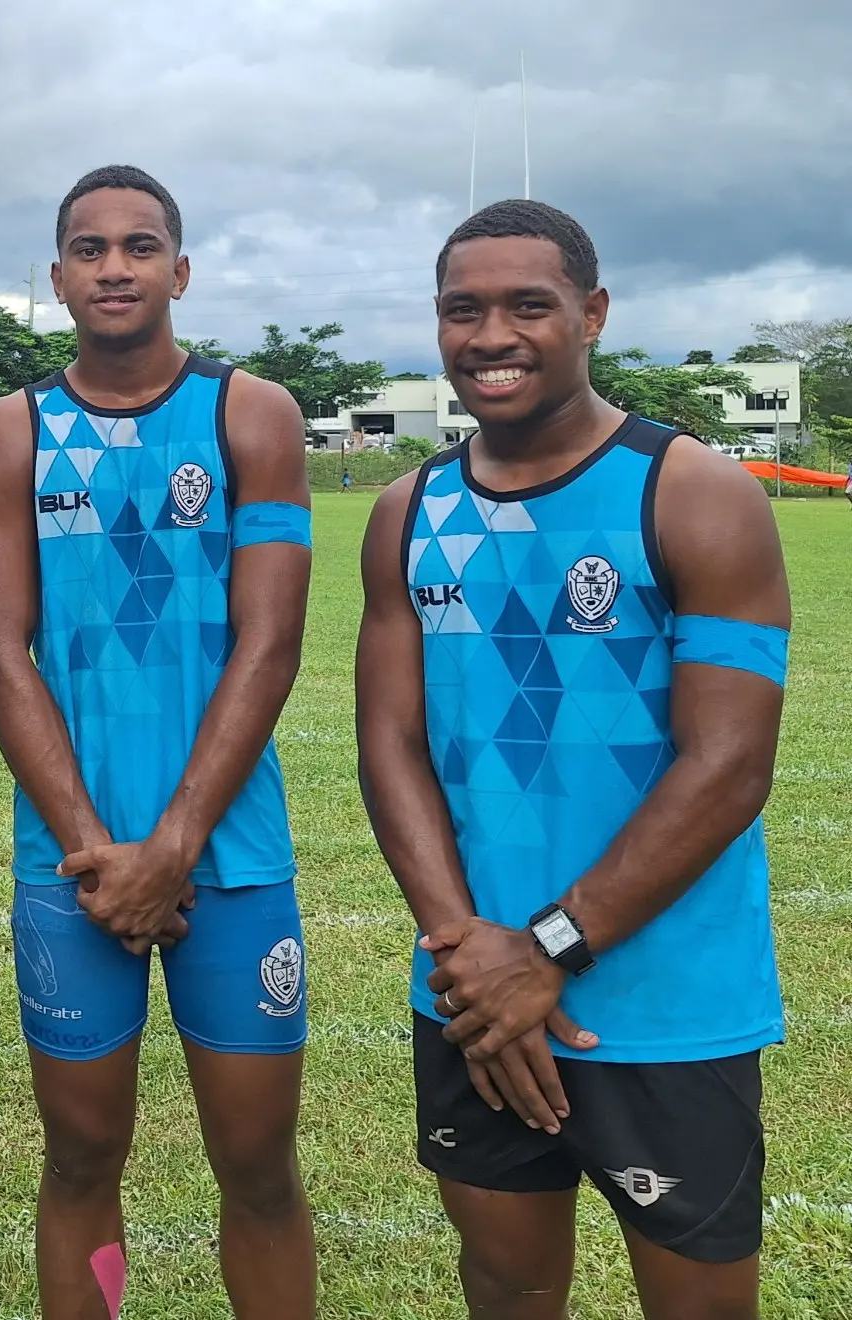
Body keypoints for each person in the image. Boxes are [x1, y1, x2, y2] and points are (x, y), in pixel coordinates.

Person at [356, 199, 789, 1319]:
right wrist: (467, 954)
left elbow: (729, 767)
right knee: (505, 1285)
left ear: (591, 315)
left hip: (663, 1000)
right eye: (464, 310)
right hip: (471, 997)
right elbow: (391, 743)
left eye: (527, 306)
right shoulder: (409, 510)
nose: (491, 334)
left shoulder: (694, 493)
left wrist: (546, 949)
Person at [0, 166, 315, 1320]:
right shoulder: (12, 431)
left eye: (140, 244)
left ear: (180, 268)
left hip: (231, 859)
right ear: (58, 275)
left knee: (258, 1171)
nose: (115, 266)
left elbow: (268, 647)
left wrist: (174, 841)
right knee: (78, 1162)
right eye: (90, 248)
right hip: (72, 871)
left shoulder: (248, 414)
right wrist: (97, 847)